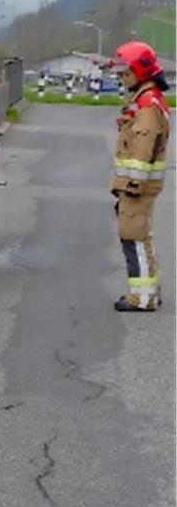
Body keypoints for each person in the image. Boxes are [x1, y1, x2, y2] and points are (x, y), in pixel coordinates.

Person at [107, 41, 169, 312]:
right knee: (141, 237)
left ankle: (142, 298)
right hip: (138, 186)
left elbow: (141, 153)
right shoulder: (147, 100)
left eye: (125, 73)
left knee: (134, 237)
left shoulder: (146, 105)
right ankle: (150, 292)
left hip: (137, 187)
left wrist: (131, 186)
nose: (122, 78)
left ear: (141, 72)